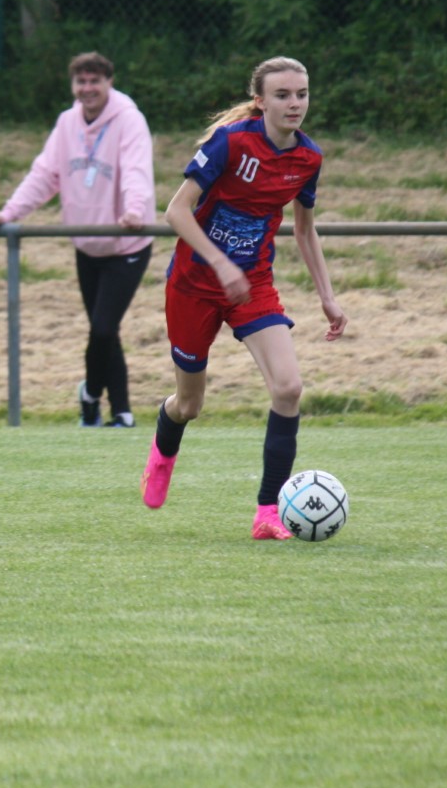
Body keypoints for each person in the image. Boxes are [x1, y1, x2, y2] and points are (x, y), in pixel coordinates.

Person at [140, 56, 347, 540]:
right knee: (189, 405)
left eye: (301, 94)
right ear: (260, 101)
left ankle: (268, 513)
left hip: (252, 284)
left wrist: (328, 297)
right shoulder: (231, 142)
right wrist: (219, 262)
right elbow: (176, 211)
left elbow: (305, 229)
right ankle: (163, 451)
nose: (294, 103)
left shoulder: (308, 158)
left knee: (289, 388)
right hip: (194, 285)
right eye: (282, 95)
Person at [0, 52, 155, 428]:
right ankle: (121, 412)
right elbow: (44, 175)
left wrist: (134, 210)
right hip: (86, 245)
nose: (87, 89)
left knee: (103, 328)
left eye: (95, 81)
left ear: (109, 82)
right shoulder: (66, 123)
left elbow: (136, 170)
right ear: (73, 85)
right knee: (104, 331)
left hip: (125, 243)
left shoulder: (129, 120)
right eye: (81, 82)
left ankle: (91, 393)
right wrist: (9, 213)